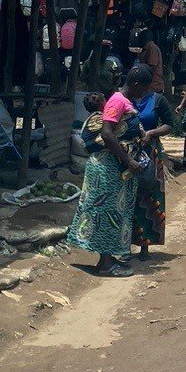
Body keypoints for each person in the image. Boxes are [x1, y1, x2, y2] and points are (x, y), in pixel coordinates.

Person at [66, 64, 153, 277]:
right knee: (106, 212)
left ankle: (107, 258)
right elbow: (107, 134)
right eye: (145, 88)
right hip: (107, 166)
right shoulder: (117, 101)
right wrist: (128, 160)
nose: (146, 92)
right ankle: (105, 265)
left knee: (115, 212)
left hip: (116, 167)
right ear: (136, 84)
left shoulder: (123, 101)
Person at [131, 81, 175, 260]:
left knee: (149, 197)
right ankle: (123, 244)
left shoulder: (158, 100)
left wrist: (151, 133)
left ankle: (145, 245)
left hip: (151, 153)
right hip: (126, 152)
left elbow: (169, 124)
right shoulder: (124, 97)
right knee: (127, 198)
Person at [129, 27, 165, 93]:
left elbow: (152, 67)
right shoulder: (145, 49)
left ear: (146, 39)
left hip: (153, 86)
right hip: (147, 86)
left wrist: (139, 71)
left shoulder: (152, 48)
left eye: (141, 38)